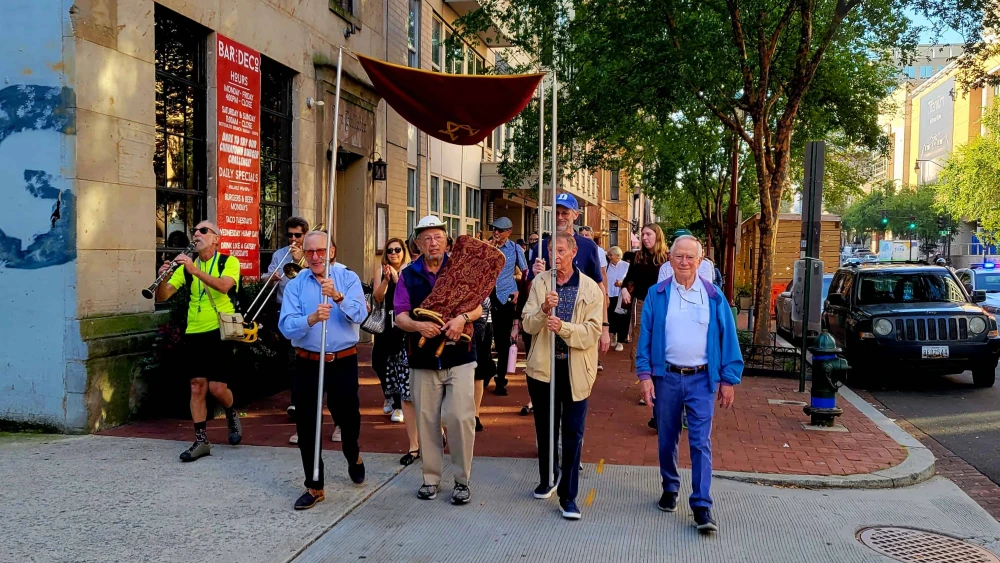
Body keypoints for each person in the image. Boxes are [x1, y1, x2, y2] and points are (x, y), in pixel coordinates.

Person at [635, 235, 744, 533]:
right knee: (666, 438)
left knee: (700, 442)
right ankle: (670, 488)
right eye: (678, 256)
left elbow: (728, 339)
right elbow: (644, 339)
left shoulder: (713, 296)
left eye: (689, 257)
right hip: (666, 378)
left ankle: (702, 506)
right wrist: (644, 376)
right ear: (669, 260)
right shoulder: (656, 295)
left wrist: (728, 379)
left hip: (701, 380)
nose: (683, 261)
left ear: (700, 260)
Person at [395, 216, 483, 505]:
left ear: (447, 240)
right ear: (418, 243)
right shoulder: (408, 275)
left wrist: (462, 318)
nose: (433, 243)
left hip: (459, 356)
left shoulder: (460, 268)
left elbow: (478, 308)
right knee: (427, 419)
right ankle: (430, 478)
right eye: (426, 238)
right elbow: (400, 316)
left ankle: (462, 480)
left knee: (459, 417)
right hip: (422, 359)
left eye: (438, 237)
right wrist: (419, 326)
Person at [279, 231, 368, 510]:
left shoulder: (347, 278)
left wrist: (339, 298)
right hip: (308, 361)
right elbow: (286, 326)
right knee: (307, 424)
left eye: (320, 251)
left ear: (331, 251)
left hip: (342, 360)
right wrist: (312, 318)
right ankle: (314, 485)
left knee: (348, 417)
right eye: (309, 252)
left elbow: (361, 316)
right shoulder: (296, 285)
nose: (315, 257)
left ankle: (352, 454)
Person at [521, 232, 602, 520]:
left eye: (561, 251)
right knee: (545, 428)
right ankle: (547, 478)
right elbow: (528, 325)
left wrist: (564, 328)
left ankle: (568, 496)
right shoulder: (541, 283)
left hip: (575, 369)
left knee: (572, 432)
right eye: (551, 250)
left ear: (574, 252)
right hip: (543, 368)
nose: (555, 256)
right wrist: (543, 310)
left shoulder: (591, 289)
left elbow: (592, 333)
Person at [154, 221, 242, 462]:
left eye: (204, 231)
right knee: (196, 385)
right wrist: (163, 277)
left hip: (220, 330)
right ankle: (201, 440)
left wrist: (195, 270)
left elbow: (224, 286)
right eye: (195, 230)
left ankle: (231, 412)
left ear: (216, 239)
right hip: (194, 331)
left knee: (218, 389)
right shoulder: (186, 267)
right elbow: (164, 295)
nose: (197, 233)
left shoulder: (228, 262)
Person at [530, 194, 611, 361]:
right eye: (556, 212)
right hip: (547, 329)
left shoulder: (588, 246)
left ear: (575, 215)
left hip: (579, 325)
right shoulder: (541, 247)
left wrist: (604, 327)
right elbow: (529, 294)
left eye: (565, 213)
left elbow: (599, 287)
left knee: (577, 378)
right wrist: (536, 277)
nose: (560, 217)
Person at [265, 216, 309, 445]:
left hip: (306, 311)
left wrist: (303, 259)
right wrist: (270, 278)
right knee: (288, 356)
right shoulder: (279, 254)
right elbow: (268, 274)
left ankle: (296, 400)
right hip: (283, 308)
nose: (293, 239)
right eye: (290, 235)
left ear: (305, 235)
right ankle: (297, 396)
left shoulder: (311, 253)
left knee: (298, 355)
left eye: (297, 235)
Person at [620, 224, 670, 375]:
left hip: (662, 304)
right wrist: (624, 289)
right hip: (641, 302)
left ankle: (659, 376)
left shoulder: (667, 258)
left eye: (648, 234)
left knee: (660, 338)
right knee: (639, 340)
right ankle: (642, 379)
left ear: (657, 236)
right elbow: (628, 278)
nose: (645, 238)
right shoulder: (638, 256)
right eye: (643, 235)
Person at [372, 237, 411, 428]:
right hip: (384, 322)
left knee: (397, 363)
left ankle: (398, 405)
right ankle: (388, 394)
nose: (393, 254)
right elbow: (378, 297)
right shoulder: (381, 270)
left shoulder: (409, 270)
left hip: (401, 322)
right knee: (379, 361)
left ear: (403, 252)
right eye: (390, 251)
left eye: (397, 250)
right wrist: (386, 280)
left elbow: (408, 297)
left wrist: (397, 278)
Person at [488, 217, 527, 396]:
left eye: (500, 230)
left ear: (509, 232)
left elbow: (525, 272)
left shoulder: (515, 249)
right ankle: (486, 370)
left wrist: (519, 291)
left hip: (505, 297)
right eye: (494, 229)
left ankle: (500, 380)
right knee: (485, 339)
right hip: (486, 297)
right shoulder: (486, 247)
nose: (496, 233)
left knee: (503, 342)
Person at [605, 246, 630, 351]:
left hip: (622, 296)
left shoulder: (626, 266)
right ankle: (613, 334)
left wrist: (622, 283)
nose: (609, 257)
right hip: (610, 295)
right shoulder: (606, 267)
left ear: (618, 256)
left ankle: (621, 341)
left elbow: (630, 280)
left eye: (611, 255)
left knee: (622, 318)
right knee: (611, 317)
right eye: (609, 255)